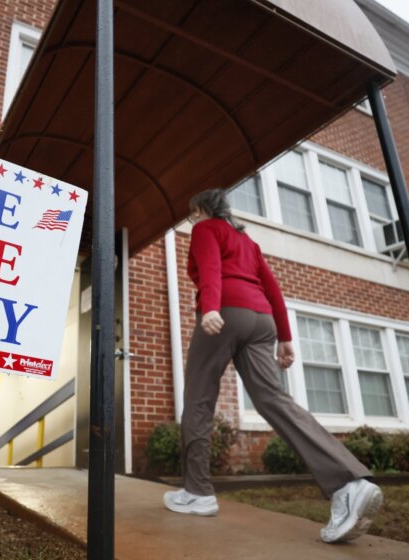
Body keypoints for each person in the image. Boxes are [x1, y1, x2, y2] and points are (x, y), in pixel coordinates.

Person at [162, 188, 383, 544]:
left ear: (202, 209)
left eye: (193, 213)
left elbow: (210, 268)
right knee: (273, 398)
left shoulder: (206, 229)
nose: (193, 220)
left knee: (199, 400)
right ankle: (348, 482)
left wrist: (212, 307)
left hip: (225, 312)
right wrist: (285, 336)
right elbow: (272, 286)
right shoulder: (247, 241)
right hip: (262, 319)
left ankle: (197, 492)